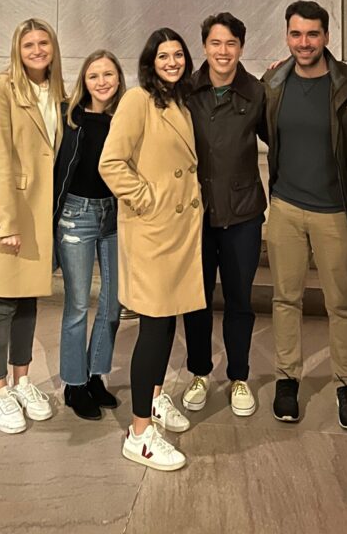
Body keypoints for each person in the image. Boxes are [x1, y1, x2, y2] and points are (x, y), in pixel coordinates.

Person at [99, 29, 204, 472]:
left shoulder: (179, 101)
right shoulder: (138, 100)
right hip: (154, 231)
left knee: (167, 324)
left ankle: (157, 399)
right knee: (155, 329)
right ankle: (139, 433)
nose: (173, 61)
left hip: (178, 232)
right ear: (150, 60)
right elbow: (111, 162)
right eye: (164, 55)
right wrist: (147, 199)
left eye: (179, 54)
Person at [262, 1, 347, 430]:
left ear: (326, 37)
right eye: (296, 34)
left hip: (334, 212)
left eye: (313, 34)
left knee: (341, 303)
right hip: (285, 208)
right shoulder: (273, 82)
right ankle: (287, 379)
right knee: (285, 299)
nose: (304, 43)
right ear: (287, 36)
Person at [0, 18, 65, 434]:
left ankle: (22, 379)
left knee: (28, 299)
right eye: (29, 44)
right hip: (14, 211)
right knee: (3, 302)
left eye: (43, 42)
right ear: (18, 49)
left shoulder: (59, 92)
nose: (37, 50)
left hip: (41, 212)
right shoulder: (1, 89)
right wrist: (5, 222)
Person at [182, 12, 267, 417]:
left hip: (243, 214)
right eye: (215, 43)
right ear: (204, 47)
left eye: (231, 44)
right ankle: (199, 371)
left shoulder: (257, 93)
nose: (223, 51)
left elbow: (283, 140)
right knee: (196, 299)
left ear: (241, 48)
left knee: (239, 300)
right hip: (195, 216)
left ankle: (239, 378)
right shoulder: (185, 91)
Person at [53, 50, 126, 420]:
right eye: (94, 75)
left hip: (113, 216)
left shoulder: (126, 118)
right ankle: (74, 384)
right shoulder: (71, 117)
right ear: (84, 80)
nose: (102, 81)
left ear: (118, 78)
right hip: (76, 216)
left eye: (108, 74)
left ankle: (96, 375)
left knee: (113, 304)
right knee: (78, 304)